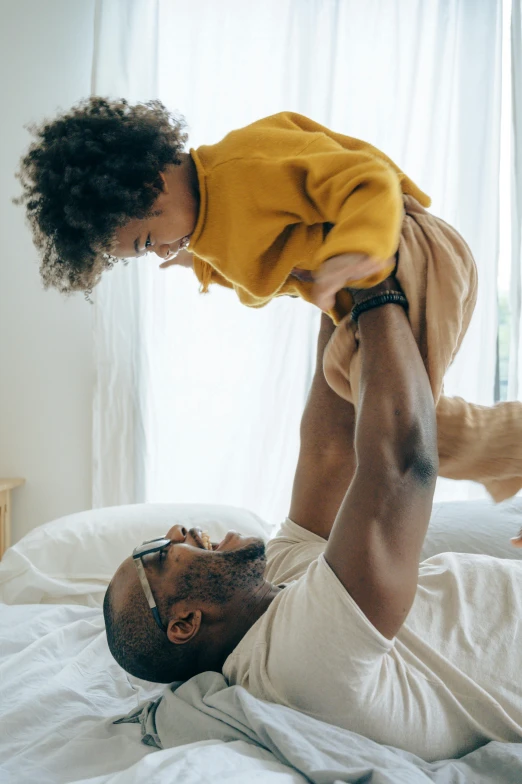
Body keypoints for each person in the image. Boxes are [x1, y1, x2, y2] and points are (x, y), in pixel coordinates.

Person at [104, 279, 522, 762]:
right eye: (156, 554)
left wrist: (330, 274)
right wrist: (374, 282)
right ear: (184, 624)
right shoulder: (295, 659)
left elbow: (329, 453)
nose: (178, 531)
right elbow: (405, 465)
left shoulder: (270, 588)